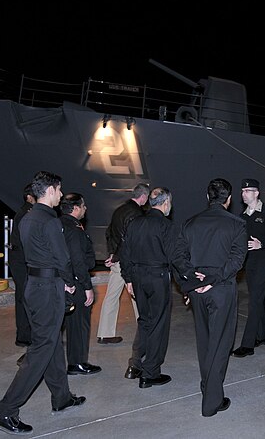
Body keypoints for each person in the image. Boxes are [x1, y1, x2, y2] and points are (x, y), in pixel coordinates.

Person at [0, 171, 85, 435]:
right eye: (60, 190)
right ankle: (4, 411)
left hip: (33, 285)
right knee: (42, 349)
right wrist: (70, 283)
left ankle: (61, 397)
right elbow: (62, 258)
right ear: (50, 190)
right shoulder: (50, 220)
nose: (62, 195)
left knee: (51, 343)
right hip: (49, 288)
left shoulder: (27, 218)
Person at [179, 178, 247, 417]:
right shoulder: (237, 224)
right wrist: (212, 280)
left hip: (197, 292)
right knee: (221, 345)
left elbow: (180, 259)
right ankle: (212, 402)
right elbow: (237, 261)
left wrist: (191, 285)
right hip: (221, 291)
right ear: (228, 200)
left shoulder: (189, 223)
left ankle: (207, 384)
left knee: (205, 342)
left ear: (207, 197)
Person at [119, 186, 192, 388]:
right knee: (159, 324)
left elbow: (124, 253)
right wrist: (186, 285)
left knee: (144, 321)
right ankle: (150, 373)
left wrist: (128, 279)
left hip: (137, 276)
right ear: (166, 202)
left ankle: (134, 365)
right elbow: (175, 258)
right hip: (157, 277)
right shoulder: (166, 227)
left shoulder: (134, 223)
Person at [99, 183, 151, 381]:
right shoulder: (136, 214)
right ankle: (143, 333)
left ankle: (105, 332)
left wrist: (112, 255)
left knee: (111, 296)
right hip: (128, 261)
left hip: (117, 260)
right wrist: (120, 255)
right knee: (137, 296)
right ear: (144, 198)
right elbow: (129, 240)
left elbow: (110, 233)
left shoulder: (119, 210)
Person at [232, 178, 265, 358]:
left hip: (263, 261)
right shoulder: (243, 216)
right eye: (242, 191)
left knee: (254, 301)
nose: (243, 194)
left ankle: (248, 344)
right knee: (257, 298)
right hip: (250, 263)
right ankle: (263, 335)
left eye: (247, 191)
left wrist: (261, 244)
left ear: (256, 193)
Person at [58, 193, 101, 376]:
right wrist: (87, 286)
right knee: (79, 324)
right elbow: (78, 260)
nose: (85, 209)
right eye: (83, 206)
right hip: (76, 282)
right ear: (76, 208)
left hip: (62, 281)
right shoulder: (74, 230)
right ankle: (77, 362)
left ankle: (73, 361)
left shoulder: (59, 224)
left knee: (68, 323)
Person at [10, 183, 35, 348]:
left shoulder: (24, 212)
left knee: (23, 297)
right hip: (22, 260)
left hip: (19, 259)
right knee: (26, 298)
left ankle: (24, 335)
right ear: (29, 197)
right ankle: (25, 336)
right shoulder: (27, 214)